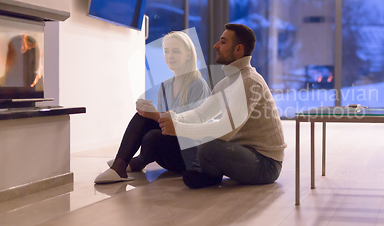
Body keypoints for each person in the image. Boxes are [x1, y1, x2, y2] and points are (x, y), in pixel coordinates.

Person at [159, 23, 286, 189]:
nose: (216, 45)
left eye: (223, 42)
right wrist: (175, 118)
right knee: (203, 140)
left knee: (208, 145)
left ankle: (209, 176)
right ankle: (210, 177)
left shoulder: (249, 81)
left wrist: (179, 128)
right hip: (242, 152)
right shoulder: (227, 82)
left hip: (266, 164)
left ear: (238, 49)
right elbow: (200, 114)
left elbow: (225, 130)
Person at [95, 31, 210, 184]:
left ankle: (136, 162)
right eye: (167, 51)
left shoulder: (198, 84)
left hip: (188, 155)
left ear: (188, 55)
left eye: (176, 51)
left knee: (153, 136)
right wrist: (149, 112)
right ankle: (120, 165)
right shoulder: (165, 85)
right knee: (143, 119)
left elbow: (192, 125)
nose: (170, 56)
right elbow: (162, 122)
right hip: (168, 152)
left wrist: (155, 115)